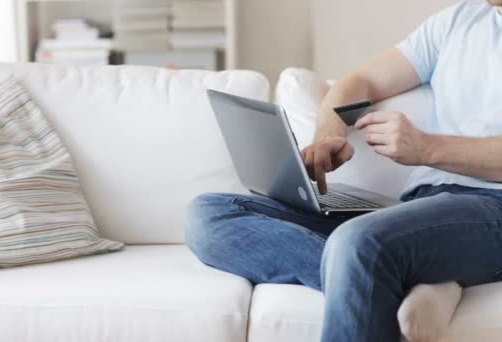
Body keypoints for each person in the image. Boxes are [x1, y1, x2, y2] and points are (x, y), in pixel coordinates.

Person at [185, 1, 502, 341]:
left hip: (491, 205)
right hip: (419, 207)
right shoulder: (459, 19)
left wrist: (424, 148)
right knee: (211, 215)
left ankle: (372, 270)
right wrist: (329, 135)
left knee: (358, 243)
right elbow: (359, 81)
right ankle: (388, 280)